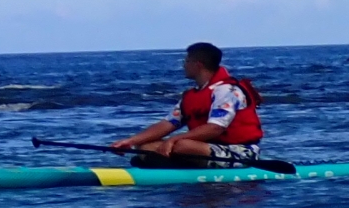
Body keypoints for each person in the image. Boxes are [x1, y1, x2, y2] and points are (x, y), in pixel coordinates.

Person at [112, 42, 265, 165]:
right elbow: (168, 124)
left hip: (240, 151)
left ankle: (168, 164)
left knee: (182, 146)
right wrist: (130, 141)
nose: (183, 65)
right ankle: (170, 164)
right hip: (204, 148)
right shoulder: (192, 95)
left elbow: (215, 128)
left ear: (198, 65)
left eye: (186, 61)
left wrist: (173, 140)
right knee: (145, 146)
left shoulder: (226, 90)